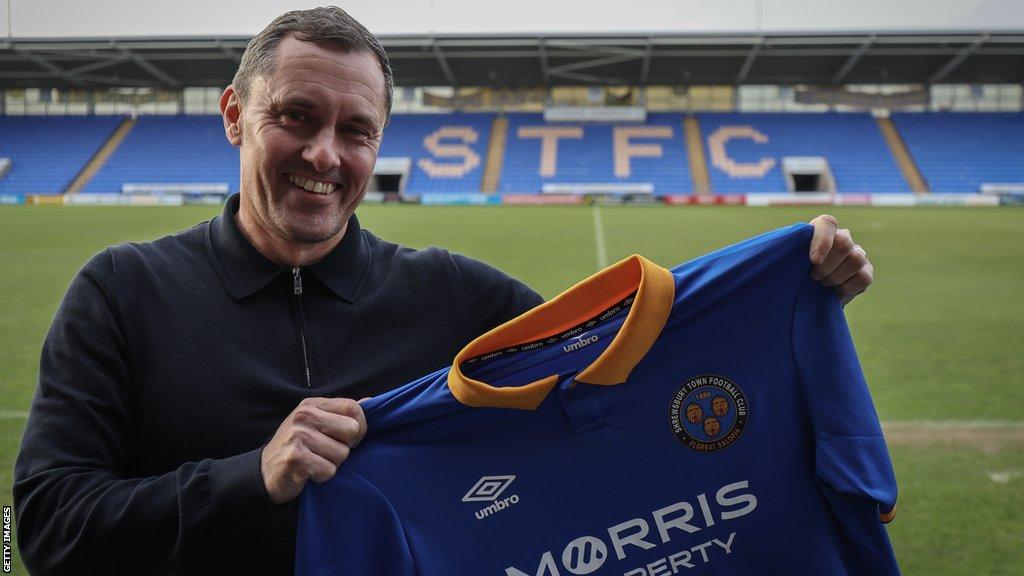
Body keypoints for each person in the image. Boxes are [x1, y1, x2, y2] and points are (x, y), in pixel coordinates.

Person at [13, 6, 874, 575]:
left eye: (356, 132)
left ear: (380, 143)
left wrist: (789, 295)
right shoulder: (124, 292)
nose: (325, 156)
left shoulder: (460, 299)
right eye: (296, 117)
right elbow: (42, 531)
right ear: (237, 114)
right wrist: (253, 478)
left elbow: (627, 381)